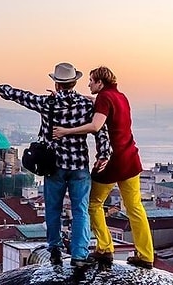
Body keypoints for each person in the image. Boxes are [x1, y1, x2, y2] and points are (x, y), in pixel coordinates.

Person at [0, 62, 111, 267]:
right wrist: (103, 154)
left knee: (53, 209)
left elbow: (23, 97)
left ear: (58, 84)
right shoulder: (88, 105)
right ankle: (79, 255)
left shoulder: (48, 103)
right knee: (80, 210)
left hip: (53, 166)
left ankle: (55, 249)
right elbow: (101, 131)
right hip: (79, 165)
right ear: (74, 82)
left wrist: (0, 88)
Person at [52, 66, 154, 269]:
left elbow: (95, 126)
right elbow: (98, 104)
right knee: (135, 208)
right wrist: (71, 96)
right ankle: (146, 255)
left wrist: (66, 131)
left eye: (91, 80)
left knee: (92, 204)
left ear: (100, 82)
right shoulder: (120, 96)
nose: (89, 84)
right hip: (131, 159)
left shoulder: (104, 98)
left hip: (112, 161)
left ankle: (105, 248)